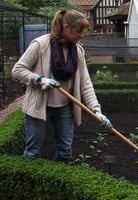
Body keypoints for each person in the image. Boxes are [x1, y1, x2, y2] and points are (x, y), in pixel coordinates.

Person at [12, 9, 111, 163]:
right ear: (66, 27)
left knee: (65, 153)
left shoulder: (77, 51)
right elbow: (17, 70)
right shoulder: (41, 45)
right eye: (79, 31)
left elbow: (86, 84)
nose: (81, 35)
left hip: (64, 108)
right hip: (39, 106)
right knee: (33, 152)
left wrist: (96, 110)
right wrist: (38, 79)